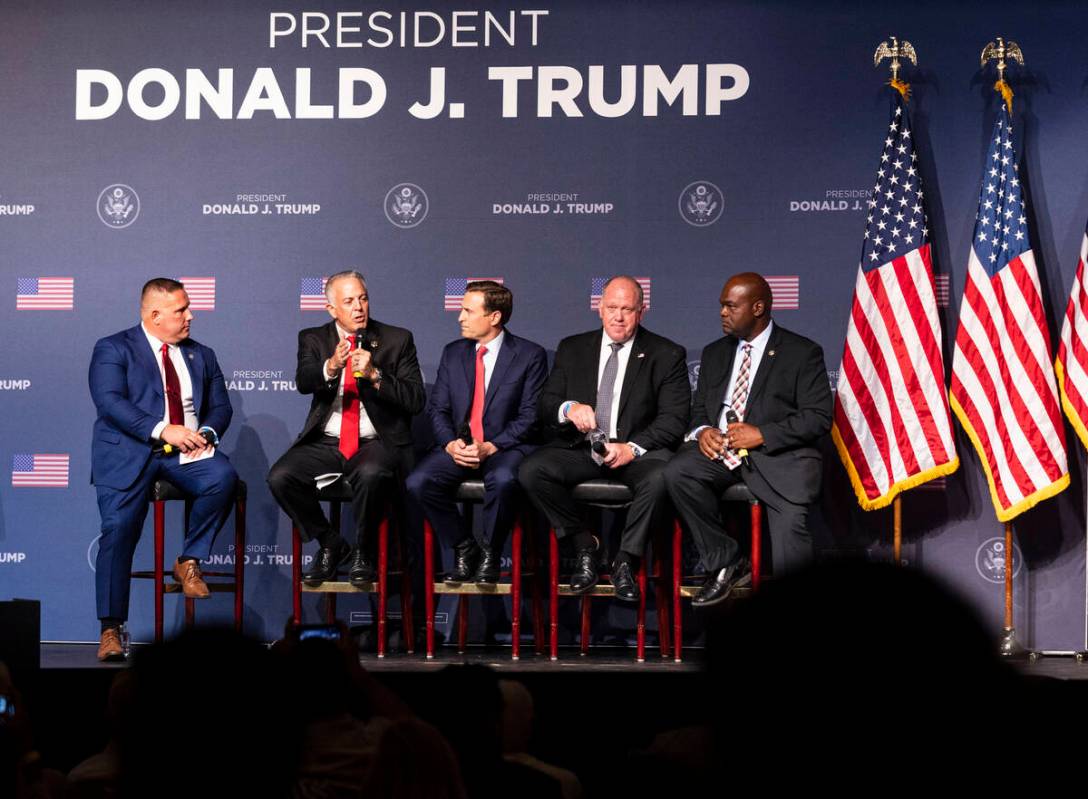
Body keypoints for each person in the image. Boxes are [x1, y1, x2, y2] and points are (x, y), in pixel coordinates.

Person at [88, 278, 237, 661]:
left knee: (222, 477)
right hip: (129, 450)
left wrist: (205, 432)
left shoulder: (202, 354)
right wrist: (161, 428)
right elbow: (110, 403)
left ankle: (189, 560)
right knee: (118, 530)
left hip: (183, 453)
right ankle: (110, 628)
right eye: (181, 310)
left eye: (188, 307)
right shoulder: (113, 348)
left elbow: (221, 407)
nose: (191, 315)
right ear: (155, 316)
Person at [663, 272, 832, 605]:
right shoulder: (714, 353)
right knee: (676, 472)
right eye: (722, 306)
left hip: (776, 457)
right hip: (722, 452)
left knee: (790, 541)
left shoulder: (801, 352)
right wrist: (703, 432)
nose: (723, 313)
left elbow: (818, 417)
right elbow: (699, 410)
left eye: (730, 306)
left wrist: (762, 434)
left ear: (757, 307)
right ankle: (726, 560)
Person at [518, 276, 689, 602]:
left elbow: (674, 419)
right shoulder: (572, 348)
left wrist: (632, 448)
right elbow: (547, 404)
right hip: (583, 450)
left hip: (636, 454)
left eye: (627, 309)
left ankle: (625, 560)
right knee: (531, 470)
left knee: (662, 476)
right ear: (599, 308)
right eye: (612, 307)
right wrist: (569, 408)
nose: (618, 317)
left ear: (642, 311)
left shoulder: (666, 354)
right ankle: (585, 546)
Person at [267, 270, 424, 586]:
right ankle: (330, 542)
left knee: (371, 474)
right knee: (281, 477)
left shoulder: (397, 339)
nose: (359, 307)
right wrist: (332, 366)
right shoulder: (313, 338)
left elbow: (416, 400)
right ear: (331, 309)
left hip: (375, 441)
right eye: (349, 301)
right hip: (326, 441)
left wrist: (375, 375)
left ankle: (364, 552)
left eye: (363, 298)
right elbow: (305, 381)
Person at [406, 281, 547, 583]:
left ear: (494, 317)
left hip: (505, 448)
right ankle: (463, 545)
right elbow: (438, 409)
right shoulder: (453, 353)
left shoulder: (529, 355)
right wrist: (449, 444)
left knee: (505, 479)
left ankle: (491, 553)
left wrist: (492, 446)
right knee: (419, 481)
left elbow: (530, 417)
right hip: (461, 446)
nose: (460, 317)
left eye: (468, 311)